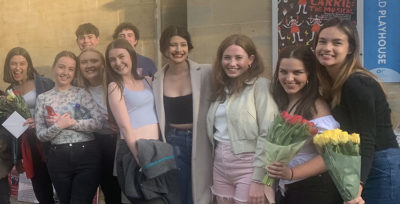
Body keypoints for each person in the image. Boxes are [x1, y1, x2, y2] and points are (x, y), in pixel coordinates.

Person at [314, 17, 400, 204]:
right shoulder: (331, 84)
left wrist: (357, 185)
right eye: (322, 41)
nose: (327, 48)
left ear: (350, 49)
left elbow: (366, 139)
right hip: (361, 163)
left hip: (380, 164)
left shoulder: (357, 83)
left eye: (337, 43)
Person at [206, 34, 278, 204]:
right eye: (227, 58)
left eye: (239, 58)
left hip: (249, 164)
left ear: (251, 59)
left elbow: (269, 132)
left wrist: (260, 179)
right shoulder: (220, 89)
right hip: (220, 164)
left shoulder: (261, 86)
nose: (232, 63)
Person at [106, 39, 178, 204]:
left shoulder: (147, 80)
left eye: (121, 56)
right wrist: (139, 157)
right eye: (112, 59)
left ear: (131, 55)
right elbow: (125, 126)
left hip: (157, 149)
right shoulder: (115, 86)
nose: (118, 62)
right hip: (136, 151)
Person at [267, 46, 342, 204]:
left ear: (309, 74)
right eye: (283, 71)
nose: (289, 78)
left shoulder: (316, 107)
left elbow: (331, 156)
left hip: (313, 189)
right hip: (287, 190)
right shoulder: (279, 101)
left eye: (297, 72)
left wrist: (292, 173)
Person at [152, 25, 213, 204]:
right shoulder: (156, 79)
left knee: (201, 193)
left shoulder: (206, 72)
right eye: (173, 45)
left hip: (201, 140)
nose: (179, 50)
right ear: (164, 49)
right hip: (173, 141)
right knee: (177, 193)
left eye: (183, 44)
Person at [35, 50, 104, 204]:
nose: (65, 72)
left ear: (74, 72)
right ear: (53, 68)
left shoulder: (82, 94)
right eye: (61, 67)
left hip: (87, 156)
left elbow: (98, 122)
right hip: (58, 159)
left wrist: (71, 122)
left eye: (71, 69)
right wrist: (58, 126)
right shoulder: (43, 98)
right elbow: (40, 135)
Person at [3, 47, 55, 204]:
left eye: (22, 63)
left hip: (50, 141)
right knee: (41, 189)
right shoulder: (10, 90)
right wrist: (17, 157)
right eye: (13, 63)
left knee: (60, 186)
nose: (18, 68)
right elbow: (13, 127)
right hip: (29, 146)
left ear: (29, 65)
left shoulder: (45, 83)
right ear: (8, 66)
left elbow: (57, 108)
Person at [76, 48, 121, 203]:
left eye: (94, 61)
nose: (89, 65)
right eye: (84, 62)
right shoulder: (78, 90)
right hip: (94, 143)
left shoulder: (115, 84)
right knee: (109, 189)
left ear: (103, 64)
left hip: (118, 141)